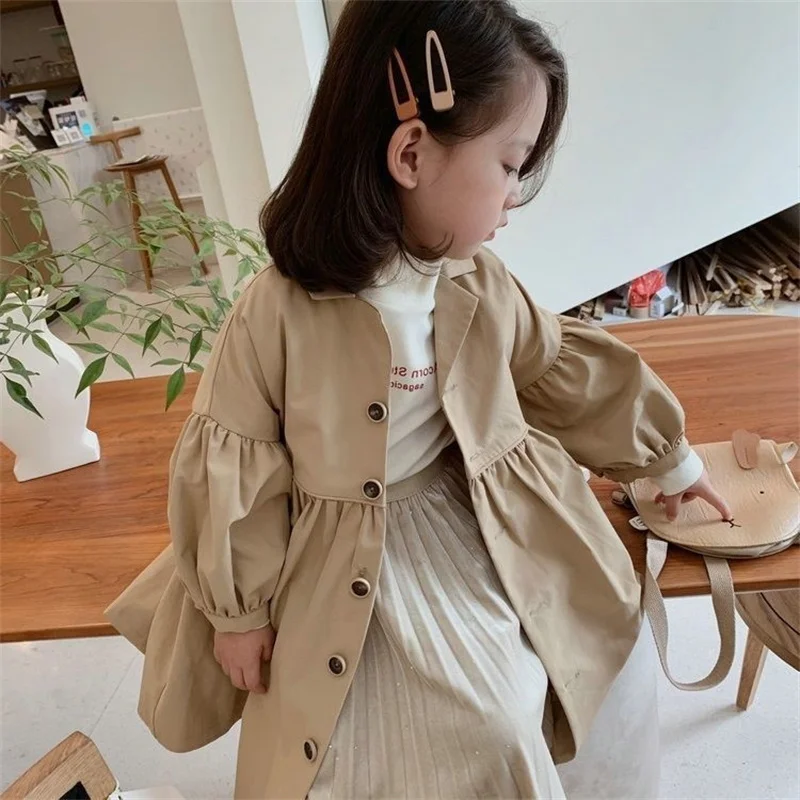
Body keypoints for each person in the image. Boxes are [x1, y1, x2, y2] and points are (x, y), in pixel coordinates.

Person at [107, 1, 731, 798]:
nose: (515, 196)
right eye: (509, 165)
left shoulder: (476, 284)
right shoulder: (276, 312)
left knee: (553, 681)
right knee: (350, 748)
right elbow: (237, 468)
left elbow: (556, 373)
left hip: (465, 518)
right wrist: (240, 614)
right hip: (331, 555)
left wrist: (669, 462)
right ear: (411, 154)